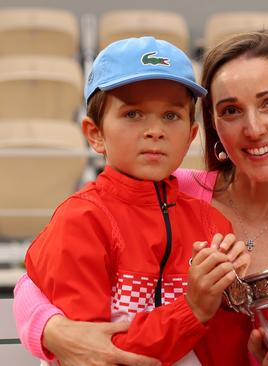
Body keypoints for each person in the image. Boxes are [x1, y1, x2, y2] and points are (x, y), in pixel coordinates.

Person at [13, 31, 268, 365]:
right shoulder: (166, 186)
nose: (254, 128)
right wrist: (51, 329)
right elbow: (38, 280)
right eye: (231, 110)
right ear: (213, 128)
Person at [20, 36, 252, 365]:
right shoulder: (80, 220)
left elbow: (224, 349)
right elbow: (94, 354)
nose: (154, 130)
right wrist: (193, 308)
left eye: (171, 116)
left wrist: (232, 301)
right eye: (133, 114)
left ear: (190, 136)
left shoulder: (213, 224)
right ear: (95, 134)